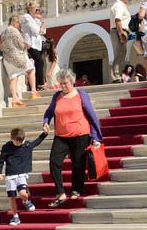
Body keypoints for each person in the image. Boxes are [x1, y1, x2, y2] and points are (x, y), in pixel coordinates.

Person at [42, 69, 103, 207]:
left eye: (66, 83)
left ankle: (76, 189)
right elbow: (49, 112)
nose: (63, 86)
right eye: (61, 84)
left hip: (80, 134)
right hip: (61, 135)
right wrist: (45, 122)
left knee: (78, 164)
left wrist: (95, 135)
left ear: (72, 82)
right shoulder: (57, 96)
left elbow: (91, 115)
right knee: (54, 161)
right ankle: (60, 193)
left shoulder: (81, 94)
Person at [0, 127, 46, 225]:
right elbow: (1, 160)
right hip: (10, 175)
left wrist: (45, 134)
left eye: (20, 142)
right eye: (16, 142)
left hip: (21, 174)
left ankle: (25, 201)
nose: (19, 144)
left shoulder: (26, 145)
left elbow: (36, 142)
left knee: (23, 194)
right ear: (11, 138)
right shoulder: (6, 147)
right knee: (12, 197)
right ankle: (15, 217)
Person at [1, 15, 34, 107]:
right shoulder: (14, 31)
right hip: (16, 58)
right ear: (14, 22)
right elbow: (21, 44)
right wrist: (26, 45)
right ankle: (33, 91)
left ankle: (14, 98)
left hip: (7, 58)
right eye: (19, 23)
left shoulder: (4, 32)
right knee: (30, 70)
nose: (19, 25)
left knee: (13, 77)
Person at [108, 0, 132, 82]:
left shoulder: (121, 6)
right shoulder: (119, 6)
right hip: (118, 30)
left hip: (120, 30)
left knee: (122, 53)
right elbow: (117, 20)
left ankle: (119, 75)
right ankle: (116, 76)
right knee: (119, 53)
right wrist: (121, 33)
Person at [21, 1, 46, 88]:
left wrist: (41, 20)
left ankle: (37, 84)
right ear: (30, 9)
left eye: (39, 10)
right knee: (39, 62)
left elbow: (43, 31)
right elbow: (35, 30)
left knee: (38, 63)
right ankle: (40, 84)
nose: (38, 11)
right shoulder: (26, 17)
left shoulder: (36, 20)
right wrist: (40, 26)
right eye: (36, 9)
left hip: (37, 45)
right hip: (29, 44)